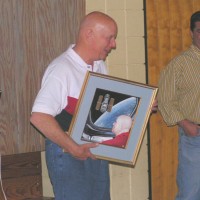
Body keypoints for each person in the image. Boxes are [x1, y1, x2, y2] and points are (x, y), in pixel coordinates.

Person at [30, 11, 118, 200]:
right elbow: (39, 117)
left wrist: (140, 107)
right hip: (68, 155)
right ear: (89, 35)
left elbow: (103, 111)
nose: (114, 44)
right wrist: (73, 148)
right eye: (109, 38)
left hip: (94, 150)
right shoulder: (62, 69)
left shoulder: (100, 65)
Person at [157, 11, 200, 200]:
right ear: (191, 33)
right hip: (195, 138)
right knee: (190, 194)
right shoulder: (179, 64)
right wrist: (186, 125)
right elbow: (165, 99)